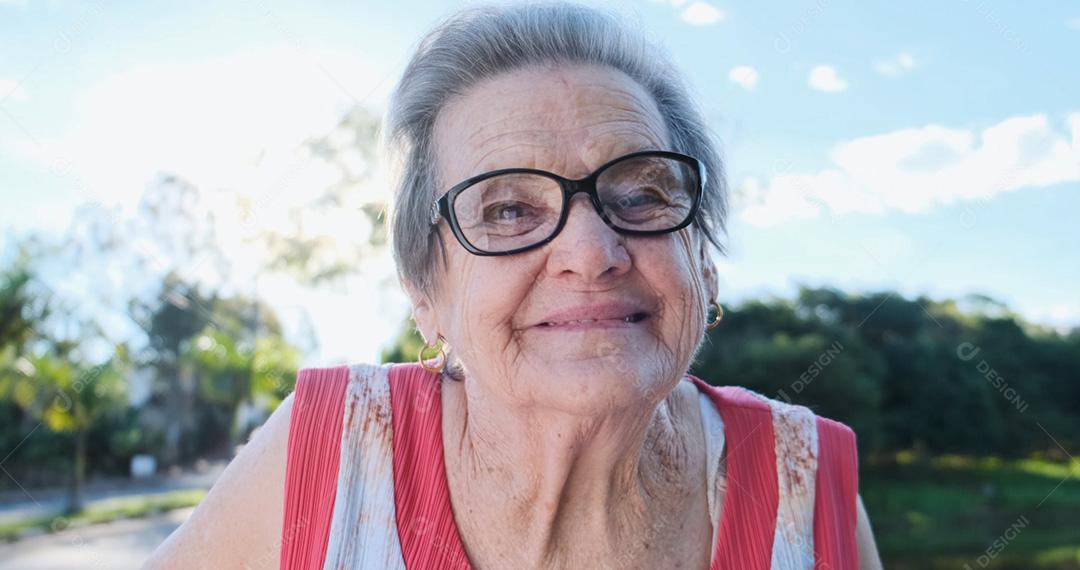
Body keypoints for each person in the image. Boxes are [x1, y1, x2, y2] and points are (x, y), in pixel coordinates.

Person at [146, 2, 883, 568]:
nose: (591, 253)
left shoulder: (807, 486)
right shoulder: (328, 457)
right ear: (425, 292)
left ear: (705, 259)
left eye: (642, 194)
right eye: (506, 209)